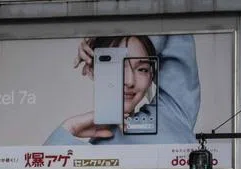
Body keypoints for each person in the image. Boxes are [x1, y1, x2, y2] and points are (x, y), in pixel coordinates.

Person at [48, 35, 198, 145]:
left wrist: (125, 29)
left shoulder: (173, 112)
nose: (130, 81)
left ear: (152, 74)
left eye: (142, 69)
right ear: (92, 71)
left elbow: (174, 30)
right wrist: (72, 126)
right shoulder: (96, 148)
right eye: (118, 67)